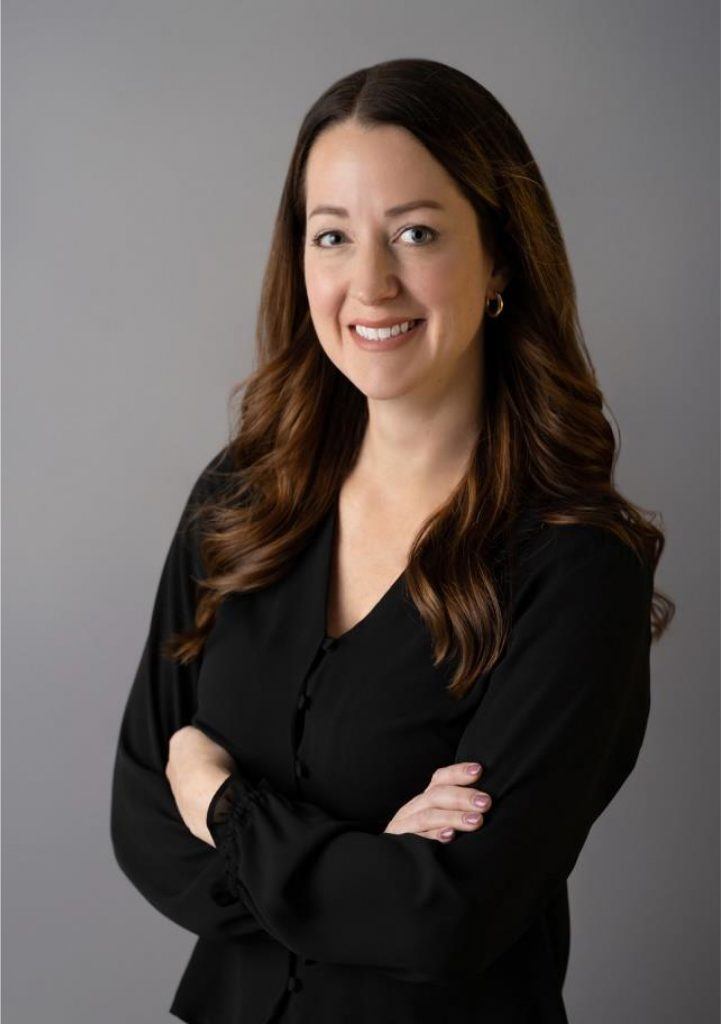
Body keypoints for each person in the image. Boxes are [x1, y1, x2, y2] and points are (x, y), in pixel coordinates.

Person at [110, 58, 674, 1023]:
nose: (369, 283)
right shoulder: (242, 498)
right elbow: (140, 824)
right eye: (332, 236)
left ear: (499, 258)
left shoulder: (576, 568)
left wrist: (222, 806)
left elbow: (444, 920)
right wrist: (367, 867)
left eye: (416, 232)